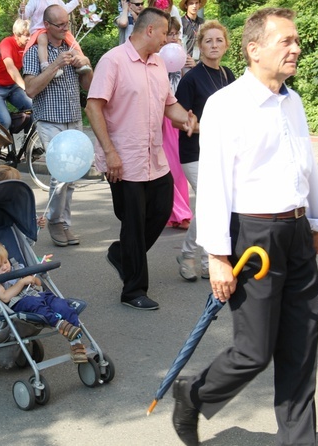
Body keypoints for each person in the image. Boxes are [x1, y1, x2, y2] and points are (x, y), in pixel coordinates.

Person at [171, 8, 318, 446]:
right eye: (287, 41)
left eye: (297, 41)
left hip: (297, 234)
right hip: (253, 239)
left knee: (300, 348)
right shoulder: (227, 104)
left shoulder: (292, 101)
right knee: (254, 351)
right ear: (254, 48)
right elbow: (216, 183)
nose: (296, 48)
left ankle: (299, 441)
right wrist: (218, 257)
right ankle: (194, 393)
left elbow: (307, 168)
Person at [85, 7, 196, 311]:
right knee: (133, 223)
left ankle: (123, 254)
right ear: (150, 31)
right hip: (123, 158)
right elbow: (93, 107)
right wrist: (110, 153)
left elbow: (168, 105)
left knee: (160, 211)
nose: (167, 40)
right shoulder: (113, 61)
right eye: (164, 33)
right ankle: (133, 290)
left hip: (153, 158)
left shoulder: (159, 64)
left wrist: (185, 119)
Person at [24, 4, 93, 248]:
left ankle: (64, 222)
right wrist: (55, 65)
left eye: (68, 24)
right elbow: (30, 89)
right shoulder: (34, 52)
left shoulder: (72, 47)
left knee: (72, 173)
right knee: (59, 174)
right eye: (61, 25)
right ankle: (54, 221)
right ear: (48, 26)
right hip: (49, 118)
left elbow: (88, 84)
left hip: (73, 117)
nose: (66, 28)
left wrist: (84, 64)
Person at [174, 20, 235, 282]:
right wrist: (202, 127)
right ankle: (189, 254)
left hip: (221, 151)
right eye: (208, 40)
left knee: (216, 204)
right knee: (212, 202)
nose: (214, 45)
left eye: (218, 40)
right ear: (200, 46)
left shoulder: (228, 75)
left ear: (226, 45)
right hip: (194, 152)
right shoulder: (191, 79)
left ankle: (205, 258)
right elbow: (179, 119)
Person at [0, 239, 87, 362]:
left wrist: (34, 280)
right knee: (34, 304)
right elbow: (5, 297)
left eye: (5, 262)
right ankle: (59, 324)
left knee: (62, 305)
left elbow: (38, 283)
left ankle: (76, 344)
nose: (4, 267)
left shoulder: (17, 268)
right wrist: (21, 282)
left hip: (39, 295)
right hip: (20, 302)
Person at [163, 17, 192, 231]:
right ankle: (178, 213)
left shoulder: (182, 56)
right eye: (169, 33)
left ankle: (178, 213)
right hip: (162, 115)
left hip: (179, 111)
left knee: (180, 168)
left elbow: (187, 84)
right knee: (170, 166)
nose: (173, 37)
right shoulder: (154, 56)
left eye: (176, 34)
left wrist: (191, 65)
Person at [0, 19, 33, 130]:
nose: (30, 38)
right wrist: (26, 88)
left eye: (31, 35)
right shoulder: (7, 43)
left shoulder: (28, 46)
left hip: (12, 87)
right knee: (5, 121)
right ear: (17, 35)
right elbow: (11, 68)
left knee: (33, 109)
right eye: (27, 35)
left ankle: (28, 144)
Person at [23, 0, 91, 78]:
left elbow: (65, 9)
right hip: (40, 29)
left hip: (56, 27)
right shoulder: (34, 1)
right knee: (42, 40)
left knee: (72, 43)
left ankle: (80, 62)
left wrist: (76, 1)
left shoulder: (58, 1)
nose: (66, 28)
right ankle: (44, 65)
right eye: (62, 24)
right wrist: (22, 11)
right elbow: (25, 15)